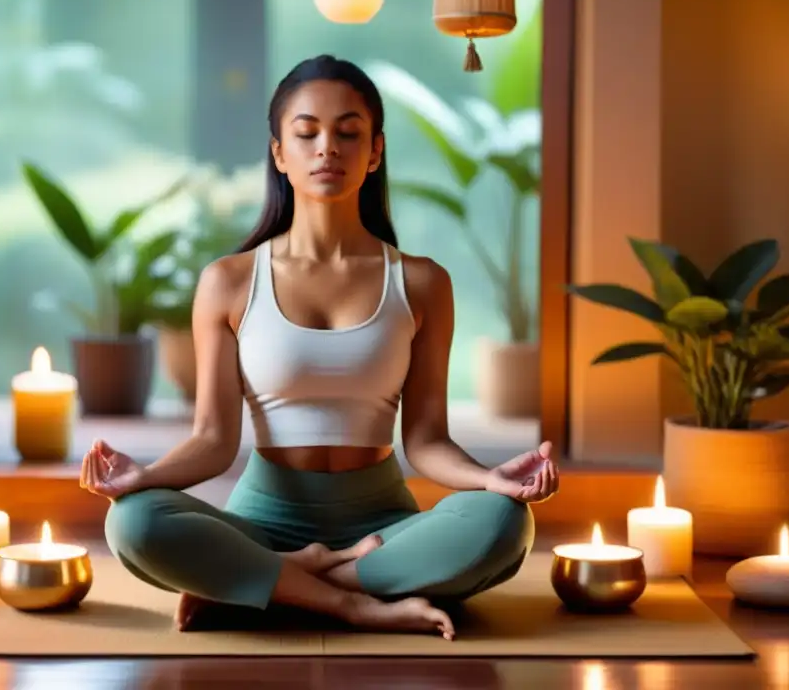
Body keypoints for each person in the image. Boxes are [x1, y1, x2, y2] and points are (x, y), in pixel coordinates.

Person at [79, 54, 559, 640]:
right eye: (306, 133)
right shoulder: (228, 282)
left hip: (382, 527)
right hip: (260, 520)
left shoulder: (423, 282)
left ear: (375, 151)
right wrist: (145, 476)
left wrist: (491, 480)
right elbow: (212, 440)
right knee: (133, 522)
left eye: (348, 132)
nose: (327, 147)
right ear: (280, 153)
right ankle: (351, 600)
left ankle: (270, 586)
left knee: (504, 523)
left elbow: (427, 441)